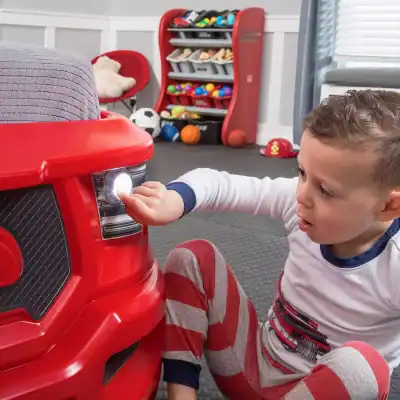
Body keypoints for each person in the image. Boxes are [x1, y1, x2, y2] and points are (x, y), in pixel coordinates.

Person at [119, 89, 399, 400]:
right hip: (253, 369)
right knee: (191, 257)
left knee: (364, 366)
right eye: (302, 173)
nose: (303, 196)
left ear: (389, 206)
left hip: (325, 391)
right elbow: (216, 183)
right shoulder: (298, 200)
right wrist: (173, 199)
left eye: (326, 190)